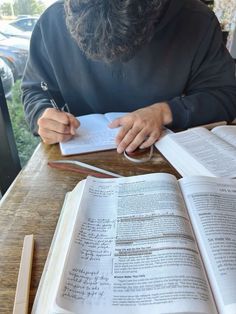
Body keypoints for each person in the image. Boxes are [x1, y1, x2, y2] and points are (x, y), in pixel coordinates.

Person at [22, 0, 236, 154]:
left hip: (169, 159)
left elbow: (225, 95)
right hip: (78, 159)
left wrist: (165, 112)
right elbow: (35, 91)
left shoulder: (195, 21)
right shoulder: (50, 24)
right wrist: (42, 114)